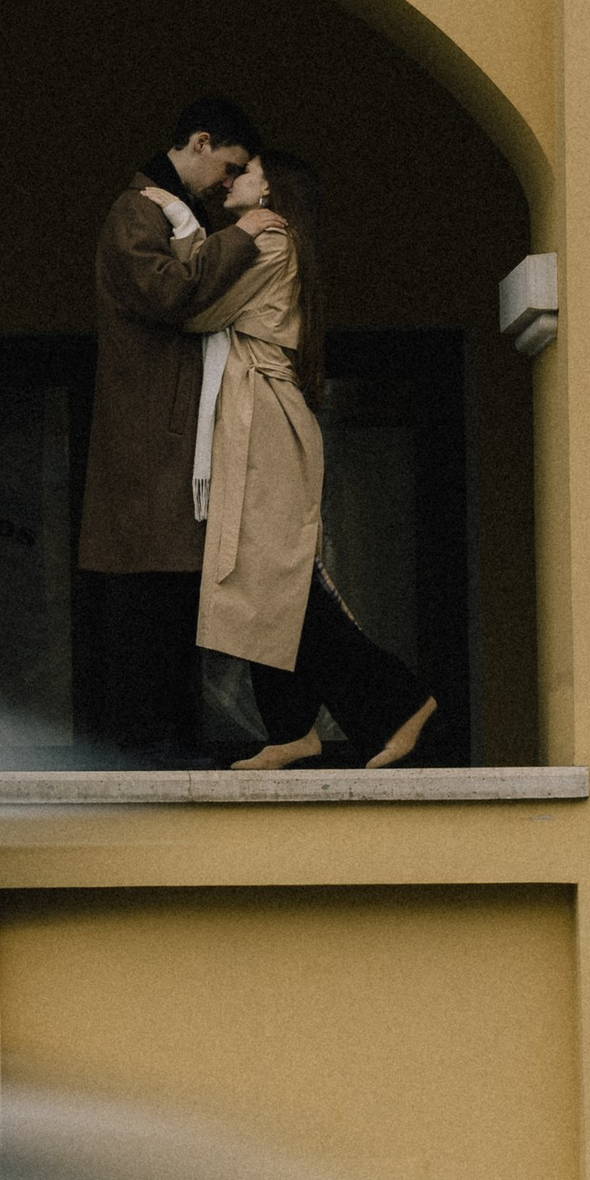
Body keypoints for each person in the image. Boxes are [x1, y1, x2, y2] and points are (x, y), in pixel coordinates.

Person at [190, 151, 437, 770]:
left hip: (264, 421)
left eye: (241, 170)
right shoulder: (274, 244)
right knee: (262, 577)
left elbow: (197, 307)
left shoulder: (271, 244)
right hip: (261, 415)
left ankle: (399, 701)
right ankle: (292, 728)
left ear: (268, 186)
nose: (230, 180)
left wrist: (233, 233)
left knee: (275, 575)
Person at [76, 97, 273, 761]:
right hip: (149, 442)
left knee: (169, 596)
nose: (228, 182)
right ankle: (150, 744)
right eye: (230, 166)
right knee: (149, 597)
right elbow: (167, 292)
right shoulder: (136, 212)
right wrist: (246, 236)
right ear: (199, 141)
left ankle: (167, 739)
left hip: (164, 441)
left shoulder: (163, 212)